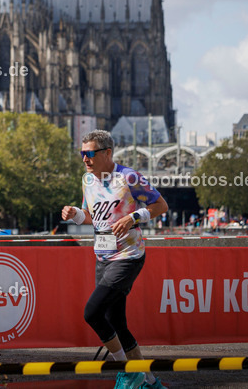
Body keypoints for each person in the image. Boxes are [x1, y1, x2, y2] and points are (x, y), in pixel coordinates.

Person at [61, 130, 169, 389]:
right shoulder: (87, 180)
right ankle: (149, 381)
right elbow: (92, 217)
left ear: (107, 153)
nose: (85, 159)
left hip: (128, 256)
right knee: (116, 322)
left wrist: (133, 217)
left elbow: (161, 206)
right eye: (82, 153)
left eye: (90, 153)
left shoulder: (128, 177)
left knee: (92, 313)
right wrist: (75, 213)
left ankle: (130, 373)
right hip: (103, 255)